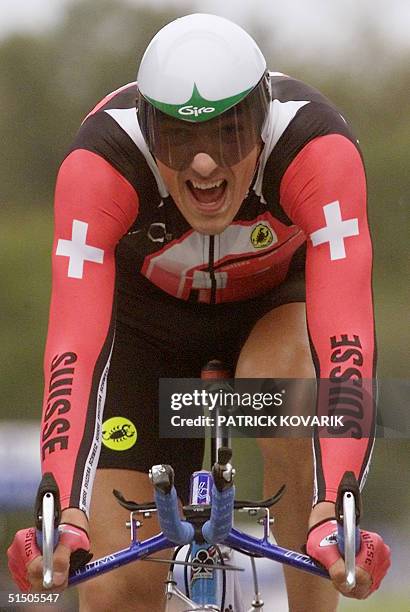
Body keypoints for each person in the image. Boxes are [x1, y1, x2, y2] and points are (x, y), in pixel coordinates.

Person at [8, 13, 390, 611]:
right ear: (147, 131)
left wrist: (340, 501)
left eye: (229, 135)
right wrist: (61, 505)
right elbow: (73, 348)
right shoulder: (100, 162)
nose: (205, 165)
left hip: (272, 310)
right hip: (145, 327)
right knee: (115, 594)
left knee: (283, 385)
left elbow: (346, 336)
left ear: (263, 125)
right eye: (179, 141)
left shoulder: (318, 149)